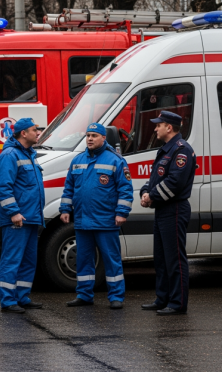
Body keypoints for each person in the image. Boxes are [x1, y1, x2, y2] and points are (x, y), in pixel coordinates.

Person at [59, 123, 133, 309]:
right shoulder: (77, 160)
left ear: (103, 138)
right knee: (83, 260)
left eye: (94, 135)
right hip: (83, 220)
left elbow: (125, 190)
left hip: (106, 220)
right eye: (88, 135)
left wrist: (121, 213)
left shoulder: (115, 160)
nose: (90, 138)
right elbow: (69, 188)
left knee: (111, 260)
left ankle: (116, 296)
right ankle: (84, 295)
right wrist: (65, 209)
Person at [139, 111, 196, 316]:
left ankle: (177, 303)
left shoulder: (181, 151)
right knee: (161, 259)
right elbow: (154, 178)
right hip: (163, 209)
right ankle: (162, 298)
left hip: (174, 209)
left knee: (175, 260)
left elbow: (175, 182)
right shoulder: (165, 150)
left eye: (158, 125)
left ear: (169, 128)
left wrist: (151, 197)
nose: (155, 129)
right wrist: (146, 192)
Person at [0, 118, 45, 314]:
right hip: (17, 219)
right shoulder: (9, 155)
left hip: (31, 217)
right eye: (35, 130)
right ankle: (8, 301)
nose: (38, 133)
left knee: (28, 260)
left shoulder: (29, 154)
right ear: (23, 133)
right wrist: (14, 212)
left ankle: (22, 296)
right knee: (12, 260)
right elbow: (4, 188)